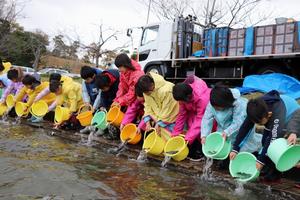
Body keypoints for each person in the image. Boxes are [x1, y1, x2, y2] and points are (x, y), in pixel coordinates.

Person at [230, 90, 300, 182]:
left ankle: (276, 173)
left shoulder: (277, 110)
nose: (258, 124)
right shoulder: (255, 108)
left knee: (275, 146)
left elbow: (272, 138)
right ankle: (267, 167)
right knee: (264, 142)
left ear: (269, 115)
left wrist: (260, 160)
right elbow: (245, 127)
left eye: (259, 122)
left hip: (292, 119)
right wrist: (235, 148)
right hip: (274, 120)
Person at [201, 85, 262, 168]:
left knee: (240, 148)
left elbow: (239, 122)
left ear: (226, 104)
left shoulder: (239, 104)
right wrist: (204, 135)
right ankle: (226, 159)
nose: (216, 109)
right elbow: (207, 119)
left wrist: (227, 132)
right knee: (224, 147)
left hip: (239, 130)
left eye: (218, 107)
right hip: (223, 129)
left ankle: (251, 158)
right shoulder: (213, 102)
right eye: (215, 107)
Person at [171, 76, 211, 160]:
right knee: (191, 125)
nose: (180, 103)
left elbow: (201, 119)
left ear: (188, 97)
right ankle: (194, 149)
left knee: (202, 131)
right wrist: (175, 134)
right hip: (193, 110)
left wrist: (188, 138)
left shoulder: (202, 98)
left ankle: (204, 152)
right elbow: (181, 115)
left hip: (206, 114)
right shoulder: (182, 97)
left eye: (181, 101)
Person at [136, 72, 179, 139]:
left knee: (175, 138)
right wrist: (147, 122)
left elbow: (168, 111)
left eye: (147, 92)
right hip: (160, 120)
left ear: (152, 84)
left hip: (172, 119)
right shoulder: (146, 91)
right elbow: (148, 106)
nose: (146, 94)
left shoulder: (166, 91)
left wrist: (159, 123)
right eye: (145, 93)